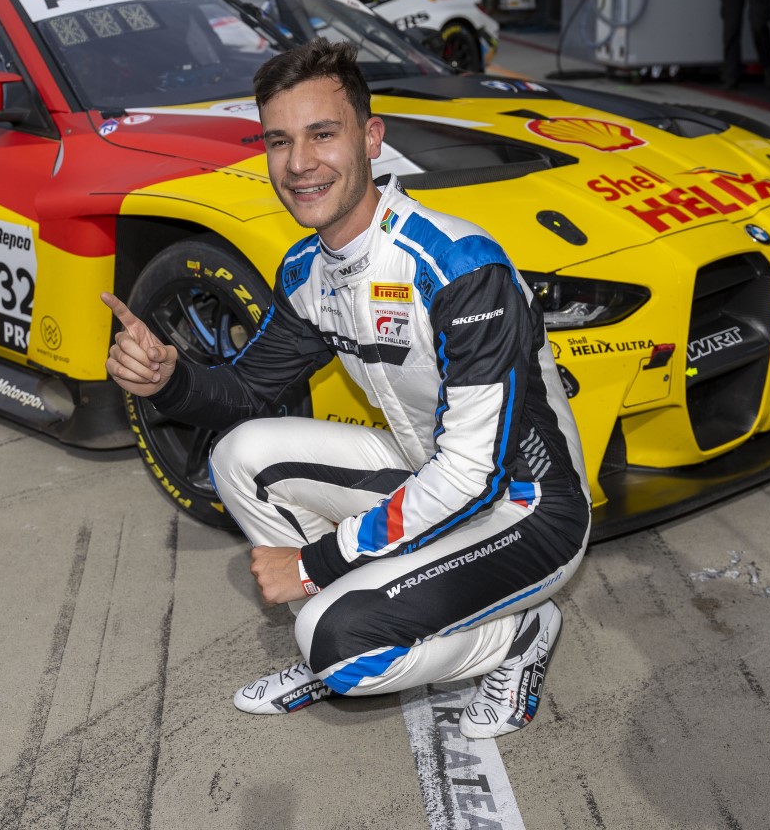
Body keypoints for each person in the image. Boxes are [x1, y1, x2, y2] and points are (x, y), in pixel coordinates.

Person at [101, 39, 590, 739]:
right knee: (241, 454)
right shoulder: (309, 269)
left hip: (528, 509)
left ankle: (517, 636)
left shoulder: (458, 265)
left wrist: (314, 564)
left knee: (342, 647)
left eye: (322, 134)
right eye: (279, 141)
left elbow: (475, 478)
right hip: (431, 473)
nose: (299, 163)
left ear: (370, 138)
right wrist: (170, 378)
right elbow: (244, 393)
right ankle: (344, 616)